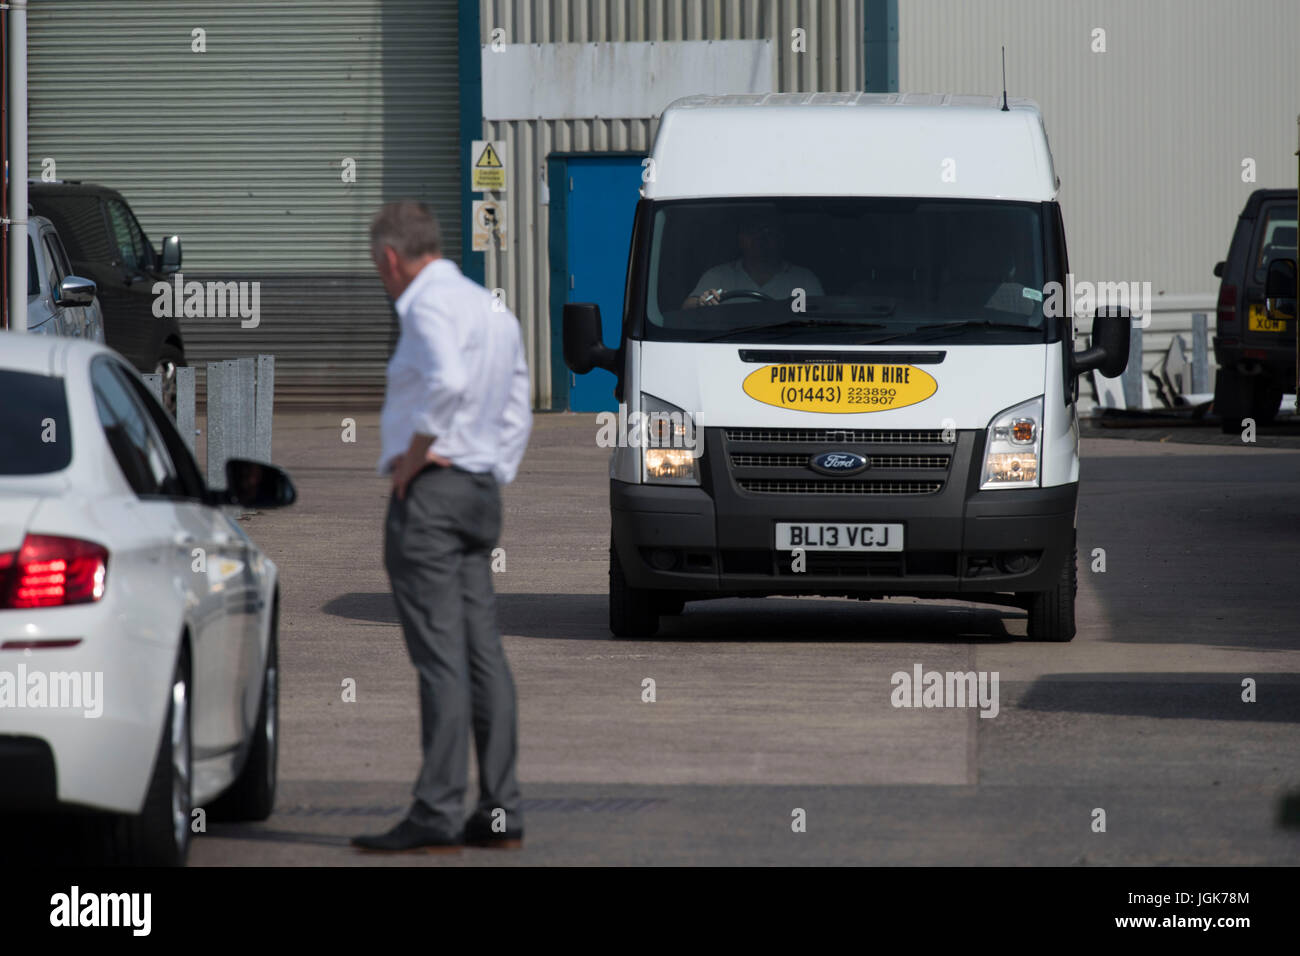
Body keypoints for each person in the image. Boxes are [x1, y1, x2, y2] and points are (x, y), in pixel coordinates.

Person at [351, 200, 532, 854]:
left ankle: (435, 812)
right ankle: (502, 810)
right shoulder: (491, 308)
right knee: (483, 652)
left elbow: (448, 382)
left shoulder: (425, 305)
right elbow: (516, 403)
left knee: (439, 659)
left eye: (380, 270)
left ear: (392, 259)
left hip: (431, 494)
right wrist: (491, 469)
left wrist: (415, 460)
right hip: (479, 490)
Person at [683, 211, 823, 308]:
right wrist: (700, 302)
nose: (760, 238)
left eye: (769, 232)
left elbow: (820, 320)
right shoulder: (718, 276)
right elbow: (686, 309)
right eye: (752, 231)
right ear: (740, 238)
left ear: (781, 238)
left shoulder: (804, 279)